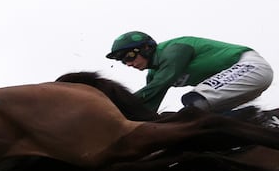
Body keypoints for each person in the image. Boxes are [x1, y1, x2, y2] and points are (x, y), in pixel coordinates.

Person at [106, 31, 273, 113]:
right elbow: (146, 108)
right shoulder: (153, 75)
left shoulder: (173, 50)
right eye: (123, 61)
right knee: (204, 120)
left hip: (250, 67)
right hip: (235, 84)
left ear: (147, 48)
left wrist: (115, 103)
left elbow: (159, 85)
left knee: (193, 103)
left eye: (129, 56)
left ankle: (266, 119)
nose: (128, 64)